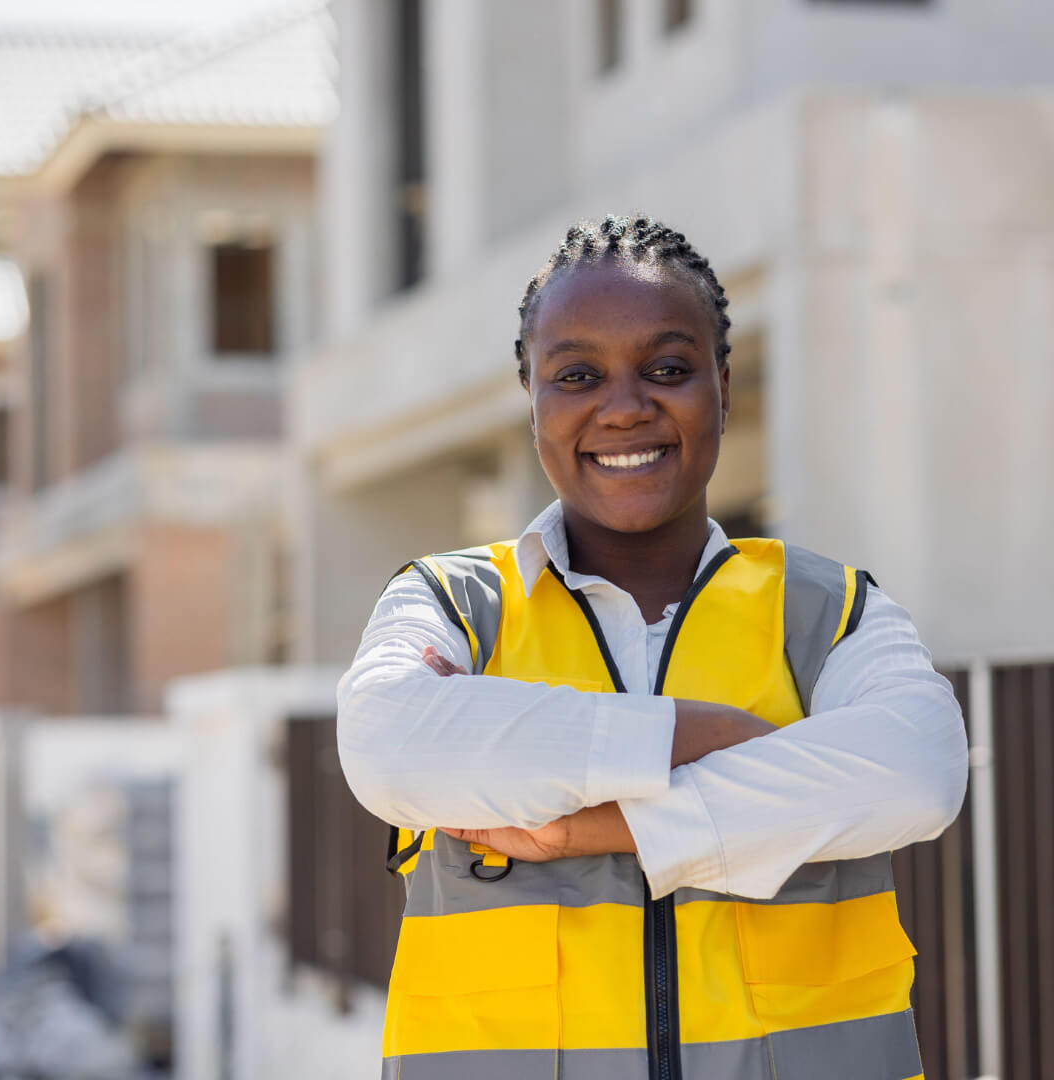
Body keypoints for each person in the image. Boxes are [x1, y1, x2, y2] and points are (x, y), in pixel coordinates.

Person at [337, 214, 968, 1080]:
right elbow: (383, 746)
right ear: (534, 401)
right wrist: (692, 733)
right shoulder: (454, 603)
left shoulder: (828, 611)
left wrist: (594, 829)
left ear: (723, 386)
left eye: (668, 369)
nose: (626, 406)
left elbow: (919, 770)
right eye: (577, 376)